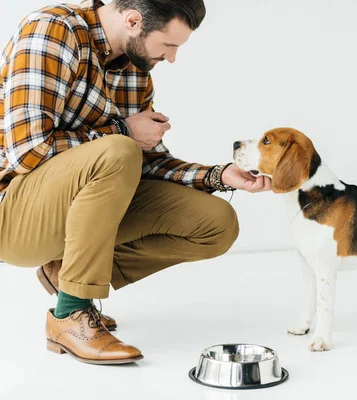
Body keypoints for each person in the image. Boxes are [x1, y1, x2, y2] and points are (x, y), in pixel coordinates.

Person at [0, 0, 271, 365]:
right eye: (169, 45)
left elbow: (148, 163)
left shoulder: (134, 69)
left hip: (79, 202)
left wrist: (216, 175)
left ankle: (65, 272)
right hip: (13, 211)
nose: (171, 58)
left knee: (216, 223)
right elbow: (27, 151)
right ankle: (69, 314)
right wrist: (124, 131)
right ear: (133, 20)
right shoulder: (52, 31)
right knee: (118, 151)